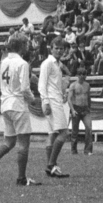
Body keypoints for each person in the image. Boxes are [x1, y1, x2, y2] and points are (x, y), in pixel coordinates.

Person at [0, 34, 42, 186]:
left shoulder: (3, 62)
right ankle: (21, 178)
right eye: (26, 45)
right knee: (23, 144)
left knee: (9, 142)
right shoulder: (22, 63)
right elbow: (25, 88)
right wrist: (32, 99)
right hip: (18, 104)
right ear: (21, 46)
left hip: (5, 103)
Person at [37, 39, 70, 178]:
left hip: (55, 99)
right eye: (56, 48)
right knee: (63, 133)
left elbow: (56, 83)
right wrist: (45, 101)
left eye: (62, 48)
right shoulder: (48, 63)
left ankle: (51, 167)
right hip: (52, 101)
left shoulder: (57, 64)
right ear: (51, 48)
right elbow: (41, 84)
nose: (59, 51)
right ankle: (51, 164)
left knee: (53, 134)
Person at [68, 62, 94, 155]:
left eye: (84, 74)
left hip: (85, 109)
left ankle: (88, 150)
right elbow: (69, 99)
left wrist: (89, 108)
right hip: (76, 108)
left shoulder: (87, 85)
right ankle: (73, 149)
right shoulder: (73, 85)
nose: (82, 76)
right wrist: (72, 110)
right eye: (80, 74)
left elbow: (88, 97)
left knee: (89, 128)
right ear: (77, 75)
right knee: (75, 131)